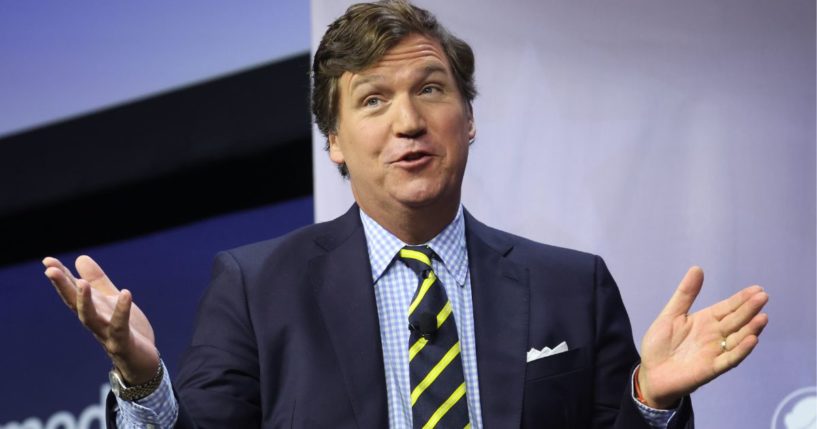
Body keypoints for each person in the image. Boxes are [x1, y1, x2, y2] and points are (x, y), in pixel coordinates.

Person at [43, 1, 769, 428]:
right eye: (372, 100)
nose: (409, 122)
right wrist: (141, 382)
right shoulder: (257, 286)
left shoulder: (568, 285)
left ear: (469, 118)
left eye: (430, 89)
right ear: (333, 141)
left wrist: (648, 398)